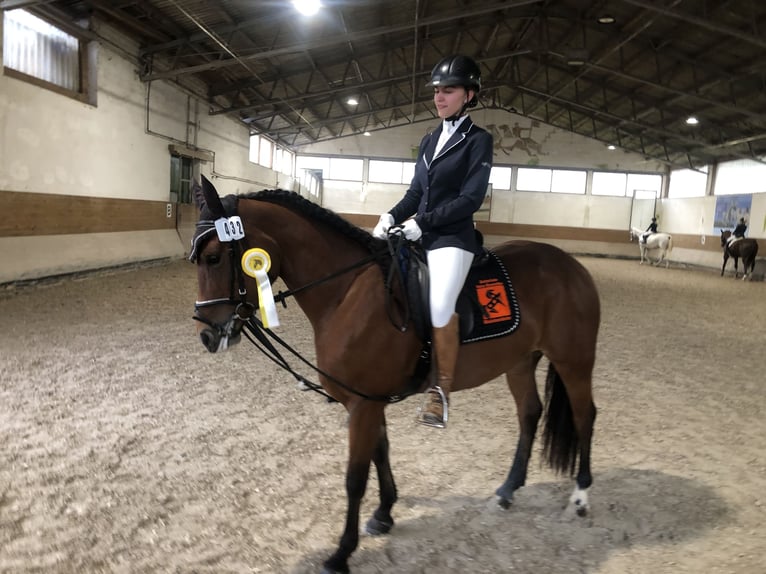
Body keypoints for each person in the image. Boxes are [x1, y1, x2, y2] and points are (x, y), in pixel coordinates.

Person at [372, 54, 493, 429]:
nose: (439, 97)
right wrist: (391, 216)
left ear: (469, 95)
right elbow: (414, 193)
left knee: (441, 306)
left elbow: (470, 200)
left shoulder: (479, 141)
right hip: (418, 231)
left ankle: (440, 393)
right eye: (437, 91)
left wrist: (421, 224)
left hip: (452, 238)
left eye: (449, 91)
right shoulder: (428, 140)